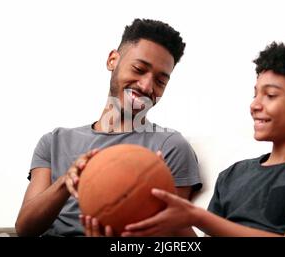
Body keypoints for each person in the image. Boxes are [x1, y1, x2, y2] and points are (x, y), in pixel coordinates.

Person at [118, 37, 285, 237]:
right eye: (255, 94)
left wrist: (196, 215)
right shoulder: (233, 175)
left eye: (270, 95)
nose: (254, 105)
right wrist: (171, 207)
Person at [15, 18, 202, 237]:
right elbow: (24, 229)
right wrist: (68, 180)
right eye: (139, 69)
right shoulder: (55, 140)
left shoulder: (170, 146)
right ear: (113, 60)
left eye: (160, 81)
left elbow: (174, 232)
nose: (146, 86)